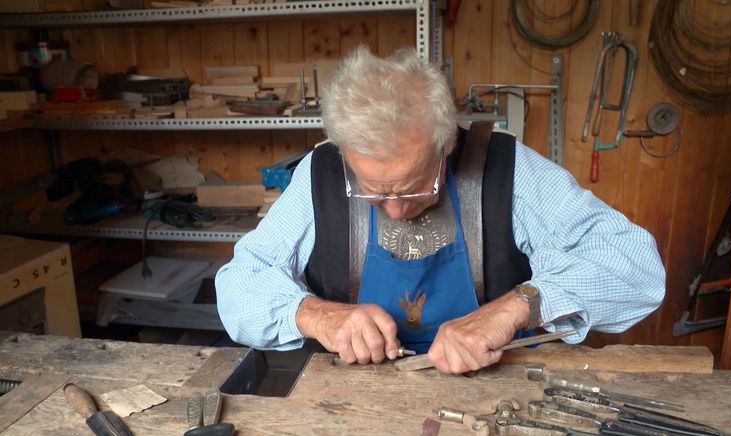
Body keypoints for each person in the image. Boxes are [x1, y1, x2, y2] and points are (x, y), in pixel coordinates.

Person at [215, 46, 665, 374]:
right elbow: (237, 287)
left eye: (413, 187)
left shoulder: (506, 168)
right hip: (356, 391)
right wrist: (316, 315)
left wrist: (516, 307)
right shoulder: (324, 172)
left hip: (499, 387)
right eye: (373, 192)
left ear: (446, 143)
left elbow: (636, 266)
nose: (393, 211)